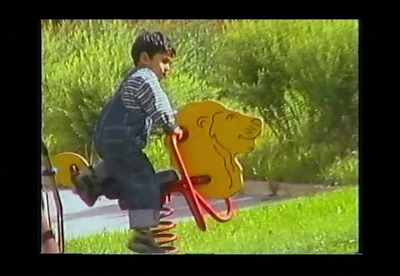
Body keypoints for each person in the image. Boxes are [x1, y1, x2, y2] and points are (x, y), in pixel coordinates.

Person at [76, 31, 183, 254]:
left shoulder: (132, 78)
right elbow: (158, 103)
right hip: (121, 139)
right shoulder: (145, 78)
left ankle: (92, 179)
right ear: (145, 58)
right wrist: (171, 125)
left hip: (111, 139)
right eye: (164, 61)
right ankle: (142, 236)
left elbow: (149, 108)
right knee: (142, 180)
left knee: (123, 169)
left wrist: (173, 117)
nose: (167, 69)